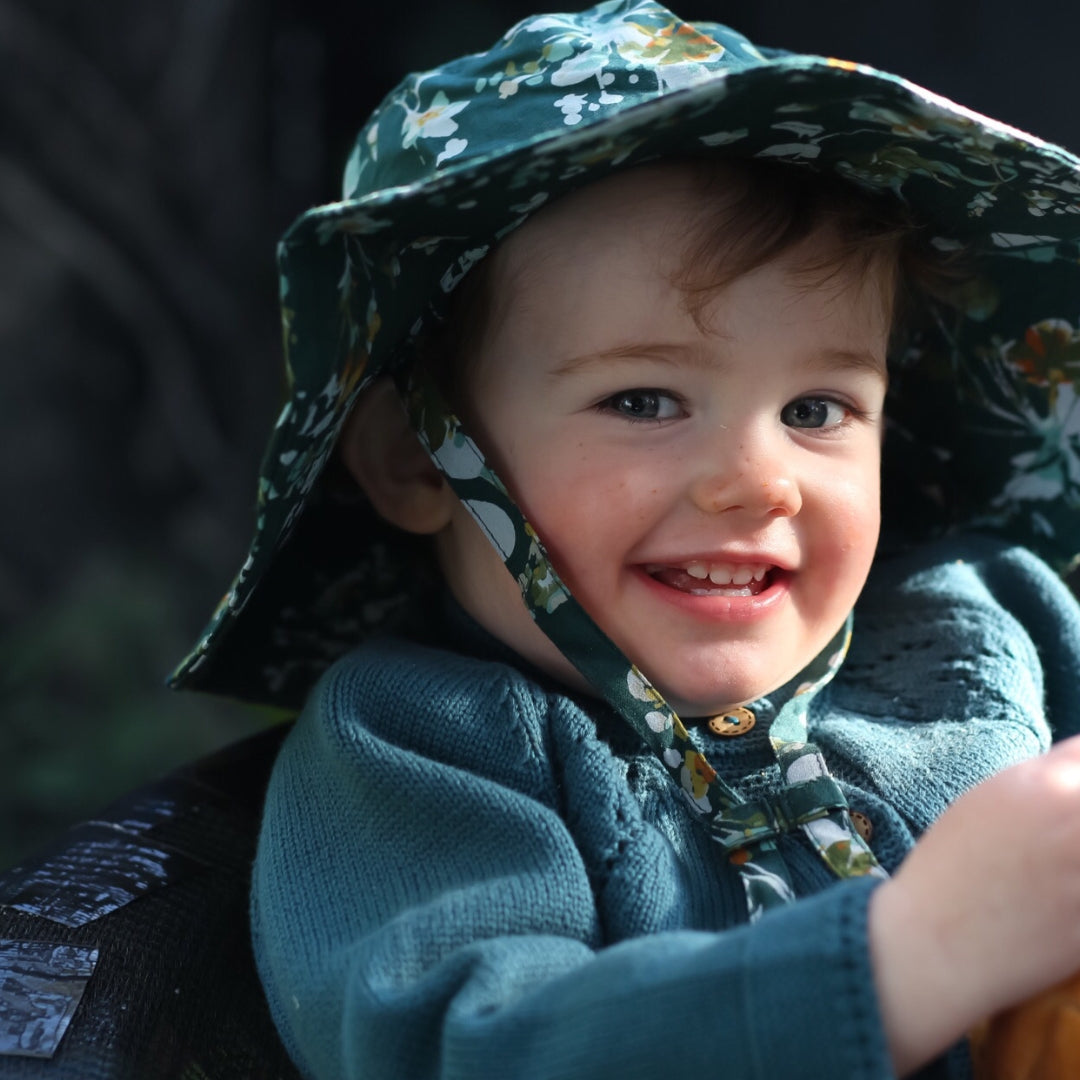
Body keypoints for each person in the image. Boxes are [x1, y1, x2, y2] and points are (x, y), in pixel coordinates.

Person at [170, 3, 1080, 1077]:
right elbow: (472, 1053)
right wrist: (918, 954)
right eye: (644, 400)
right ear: (419, 461)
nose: (759, 482)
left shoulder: (983, 618)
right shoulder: (426, 746)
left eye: (818, 409)